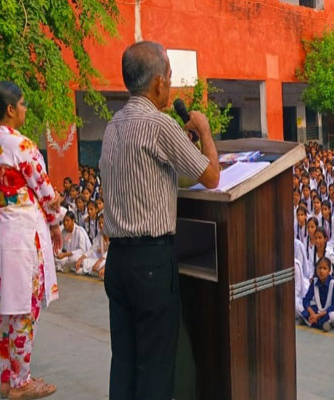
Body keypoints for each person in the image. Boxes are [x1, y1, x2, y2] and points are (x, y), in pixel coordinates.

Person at [99, 41, 220, 400]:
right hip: (150, 263)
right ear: (157, 83)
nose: (170, 84)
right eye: (169, 76)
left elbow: (156, 175)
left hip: (118, 261)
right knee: (155, 364)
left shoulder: (113, 125)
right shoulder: (159, 124)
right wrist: (205, 131)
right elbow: (211, 176)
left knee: (124, 361)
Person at [0, 81, 64, 398]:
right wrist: (56, 220)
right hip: (21, 237)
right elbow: (45, 190)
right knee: (25, 307)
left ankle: (6, 377)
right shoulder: (19, 144)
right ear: (10, 110)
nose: (25, 109)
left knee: (4, 310)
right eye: (22, 104)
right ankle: (21, 382)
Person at [300, 257, 334, 331]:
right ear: (316, 269)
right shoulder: (315, 281)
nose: (321, 271)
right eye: (319, 268)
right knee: (303, 310)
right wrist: (312, 313)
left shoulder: (333, 283)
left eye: (324, 268)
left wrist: (318, 315)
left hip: (328, 311)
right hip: (318, 310)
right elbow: (306, 299)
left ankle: (312, 322)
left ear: (329, 271)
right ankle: (321, 323)